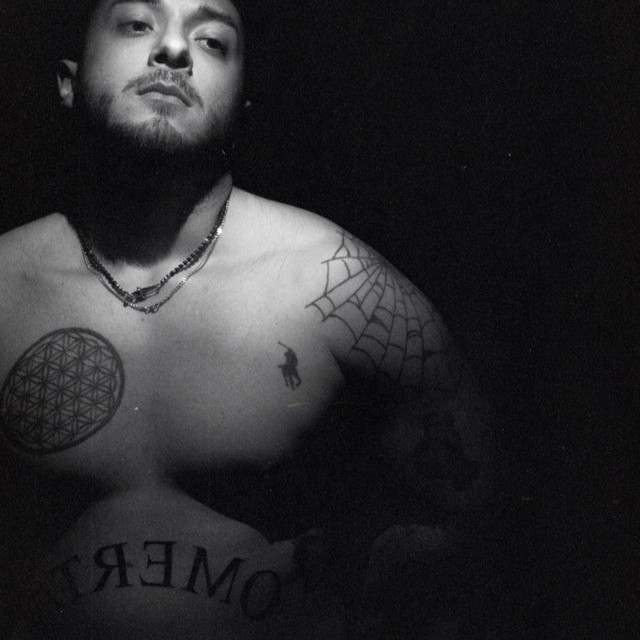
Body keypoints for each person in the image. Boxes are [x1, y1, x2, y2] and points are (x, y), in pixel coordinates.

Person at [0, 0, 496, 638]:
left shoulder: (336, 283)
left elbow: (472, 526)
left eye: (212, 40)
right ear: (68, 82)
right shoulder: (7, 286)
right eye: (137, 23)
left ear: (243, 100)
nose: (173, 50)